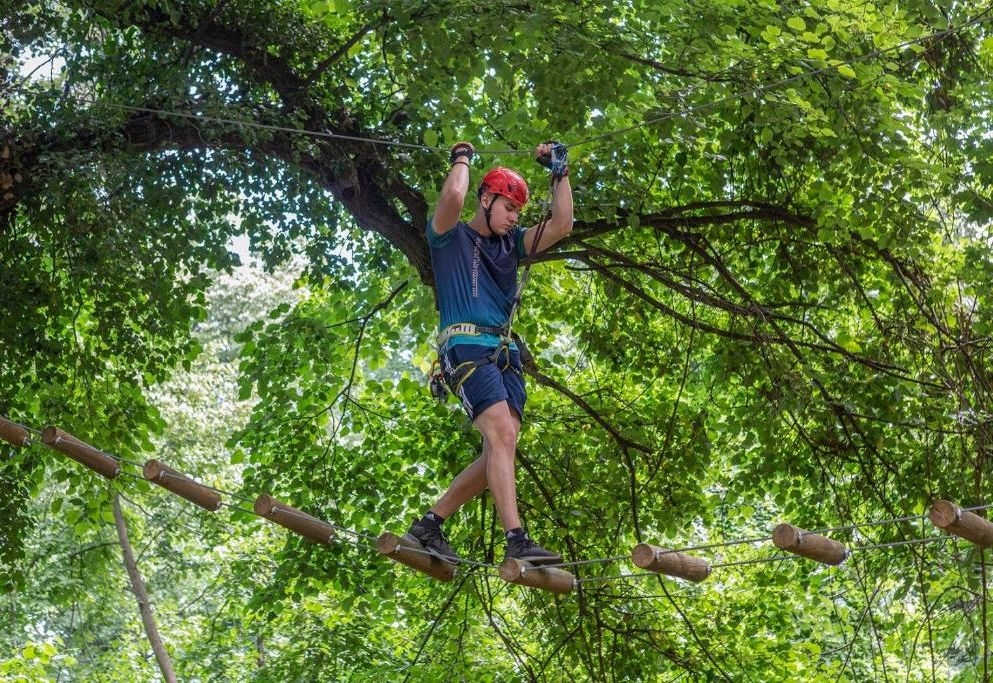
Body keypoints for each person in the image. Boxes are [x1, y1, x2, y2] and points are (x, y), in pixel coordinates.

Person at [405, 140, 573, 566]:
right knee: (502, 435)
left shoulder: (510, 245)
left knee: (501, 446)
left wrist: (560, 171)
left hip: (503, 354)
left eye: (518, 211)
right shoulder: (448, 237)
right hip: (463, 348)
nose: (515, 217)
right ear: (486, 200)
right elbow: (454, 197)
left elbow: (562, 225)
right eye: (509, 208)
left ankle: (430, 524)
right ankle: (517, 538)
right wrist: (462, 156)